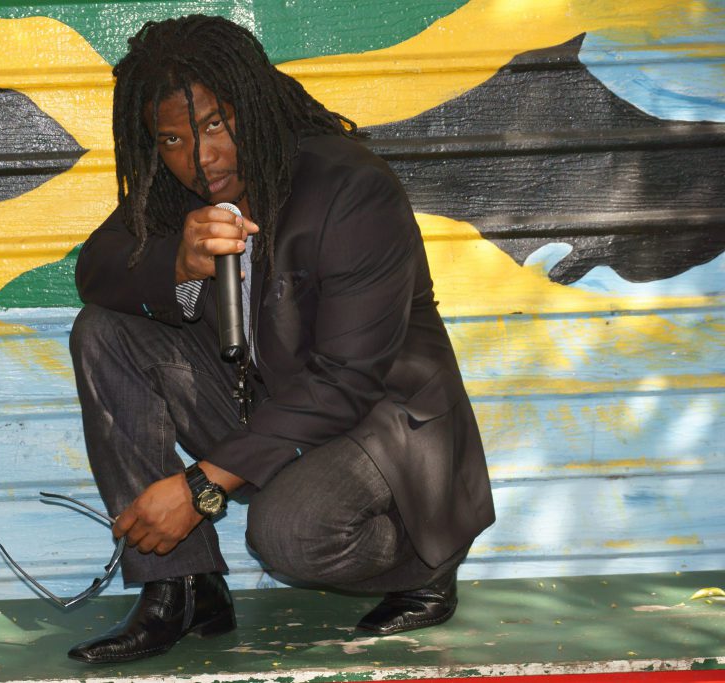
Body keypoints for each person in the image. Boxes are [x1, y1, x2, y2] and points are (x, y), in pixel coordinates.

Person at [67, 14, 495, 664]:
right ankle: (181, 586)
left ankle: (423, 563)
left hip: (383, 423)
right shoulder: (183, 190)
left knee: (287, 535)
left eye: (216, 124)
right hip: (270, 407)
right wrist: (176, 264)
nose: (201, 157)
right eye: (173, 138)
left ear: (254, 104)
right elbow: (96, 271)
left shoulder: (350, 188)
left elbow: (347, 379)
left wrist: (201, 488)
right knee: (104, 331)